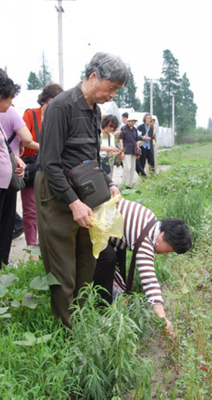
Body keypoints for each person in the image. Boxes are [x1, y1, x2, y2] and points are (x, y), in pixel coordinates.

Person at [35, 52, 129, 328]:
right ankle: (69, 337)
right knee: (63, 269)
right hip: (56, 192)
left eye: (115, 91)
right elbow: (49, 162)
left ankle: (83, 323)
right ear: (93, 77)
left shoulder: (94, 111)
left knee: (87, 263)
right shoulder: (61, 107)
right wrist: (73, 202)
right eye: (110, 88)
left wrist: (109, 183)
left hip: (84, 192)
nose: (111, 96)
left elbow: (92, 156)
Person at [93, 198, 192, 336]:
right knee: (108, 259)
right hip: (90, 223)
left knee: (118, 258)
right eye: (168, 250)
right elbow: (150, 281)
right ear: (163, 235)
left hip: (103, 220)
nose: (164, 253)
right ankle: (101, 311)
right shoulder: (145, 241)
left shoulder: (150, 218)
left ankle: (116, 297)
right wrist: (163, 319)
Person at [21, 84, 63, 255]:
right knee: (30, 209)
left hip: (51, 166)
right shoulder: (31, 114)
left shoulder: (60, 115)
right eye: (52, 101)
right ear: (44, 100)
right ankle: (32, 246)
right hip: (32, 164)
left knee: (50, 207)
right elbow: (25, 140)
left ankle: (49, 244)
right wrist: (45, 148)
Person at [0, 69, 26, 267]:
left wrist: (15, 157)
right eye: (8, 100)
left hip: (6, 182)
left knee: (6, 225)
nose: (10, 106)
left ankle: (3, 264)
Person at [119, 113, 143, 185]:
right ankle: (125, 184)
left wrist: (138, 149)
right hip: (126, 150)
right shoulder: (123, 129)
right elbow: (121, 140)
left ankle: (130, 183)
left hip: (133, 150)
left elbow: (136, 140)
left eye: (134, 121)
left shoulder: (135, 130)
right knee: (127, 167)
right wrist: (122, 151)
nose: (132, 122)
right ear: (128, 121)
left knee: (132, 167)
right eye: (131, 121)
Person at [100, 114, 120, 179]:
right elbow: (98, 146)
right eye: (111, 126)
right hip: (97, 162)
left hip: (107, 162)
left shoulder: (111, 136)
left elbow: (112, 149)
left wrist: (115, 152)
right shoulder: (98, 134)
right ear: (105, 123)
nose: (111, 128)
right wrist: (110, 149)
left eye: (114, 127)